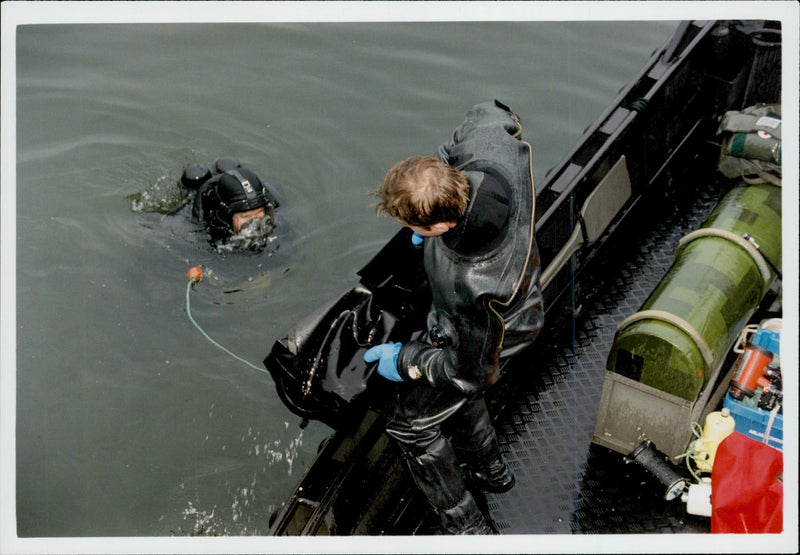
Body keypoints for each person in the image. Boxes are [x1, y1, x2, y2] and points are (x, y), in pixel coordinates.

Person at [364, 100, 544, 534]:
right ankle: (491, 471)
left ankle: (465, 524)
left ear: (442, 227)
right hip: (521, 291)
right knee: (454, 397)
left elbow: (469, 375)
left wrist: (406, 359)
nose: (412, 234)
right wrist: (426, 187)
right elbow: (493, 110)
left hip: (505, 329)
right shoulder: (489, 147)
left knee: (411, 424)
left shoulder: (469, 284)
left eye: (416, 228)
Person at [181, 156, 279, 248]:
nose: (254, 222)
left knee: (228, 164)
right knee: (194, 175)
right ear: (227, 216)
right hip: (203, 197)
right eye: (245, 216)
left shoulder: (268, 201)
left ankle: (225, 170)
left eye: (259, 213)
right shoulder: (204, 227)